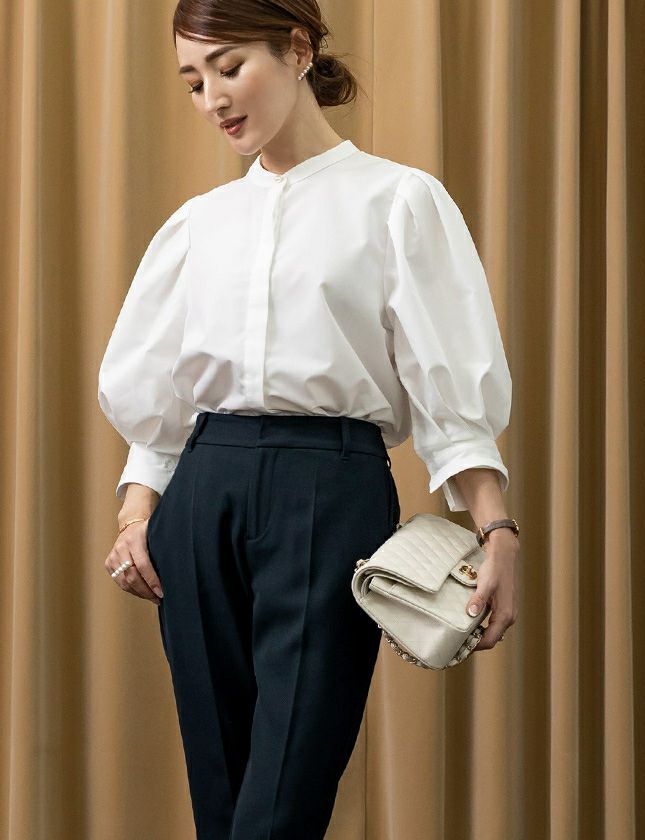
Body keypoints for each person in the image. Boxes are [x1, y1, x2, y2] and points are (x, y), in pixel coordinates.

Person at [97, 1, 520, 837]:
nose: (213, 98)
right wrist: (136, 513)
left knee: (283, 796)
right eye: (194, 81)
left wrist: (496, 527)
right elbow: (165, 401)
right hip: (201, 495)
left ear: (297, 49)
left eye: (229, 68)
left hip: (330, 489)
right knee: (220, 795)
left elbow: (448, 380)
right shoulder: (199, 225)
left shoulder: (397, 201)